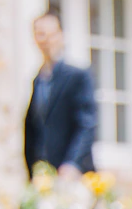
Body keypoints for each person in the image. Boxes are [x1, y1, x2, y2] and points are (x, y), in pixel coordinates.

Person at [22, 9, 97, 176]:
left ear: (61, 36)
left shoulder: (78, 76)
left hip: (74, 174)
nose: (46, 40)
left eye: (51, 34)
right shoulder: (38, 80)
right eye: (41, 34)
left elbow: (86, 125)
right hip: (44, 175)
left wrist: (72, 163)